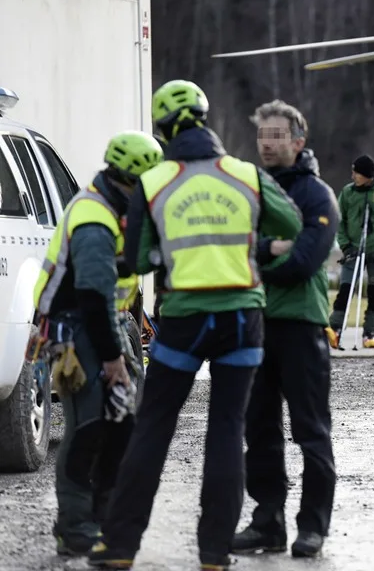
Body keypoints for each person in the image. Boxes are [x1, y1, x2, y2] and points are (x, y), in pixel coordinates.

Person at [87, 79, 302, 571]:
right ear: (205, 120)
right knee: (227, 431)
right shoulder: (246, 174)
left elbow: (137, 258)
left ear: (163, 129)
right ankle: (213, 554)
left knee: (153, 429)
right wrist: (251, 245)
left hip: (183, 319)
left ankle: (120, 547)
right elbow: (291, 224)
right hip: (242, 321)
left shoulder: (153, 181)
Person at [31, 131, 162, 556]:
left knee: (119, 427)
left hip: (104, 324)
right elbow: (91, 294)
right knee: (88, 429)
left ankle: (103, 518)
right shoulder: (93, 217)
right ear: (132, 179)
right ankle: (74, 527)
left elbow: (117, 273)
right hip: (77, 331)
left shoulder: (115, 206)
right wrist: (112, 360)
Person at [231, 99, 340, 558]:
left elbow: (303, 262)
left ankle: (312, 527)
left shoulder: (317, 195)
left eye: (278, 136)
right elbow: (227, 245)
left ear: (299, 141)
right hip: (255, 323)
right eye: (262, 136)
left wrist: (254, 262)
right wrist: (263, 250)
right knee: (259, 430)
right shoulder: (247, 190)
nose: (268, 144)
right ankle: (266, 523)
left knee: (310, 430)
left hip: (301, 326)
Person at [326, 154, 374, 349]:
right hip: (352, 249)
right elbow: (339, 221)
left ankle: (369, 333)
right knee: (345, 290)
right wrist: (344, 245)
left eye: (356, 173)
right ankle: (335, 329)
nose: (353, 176)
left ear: (367, 175)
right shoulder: (348, 192)